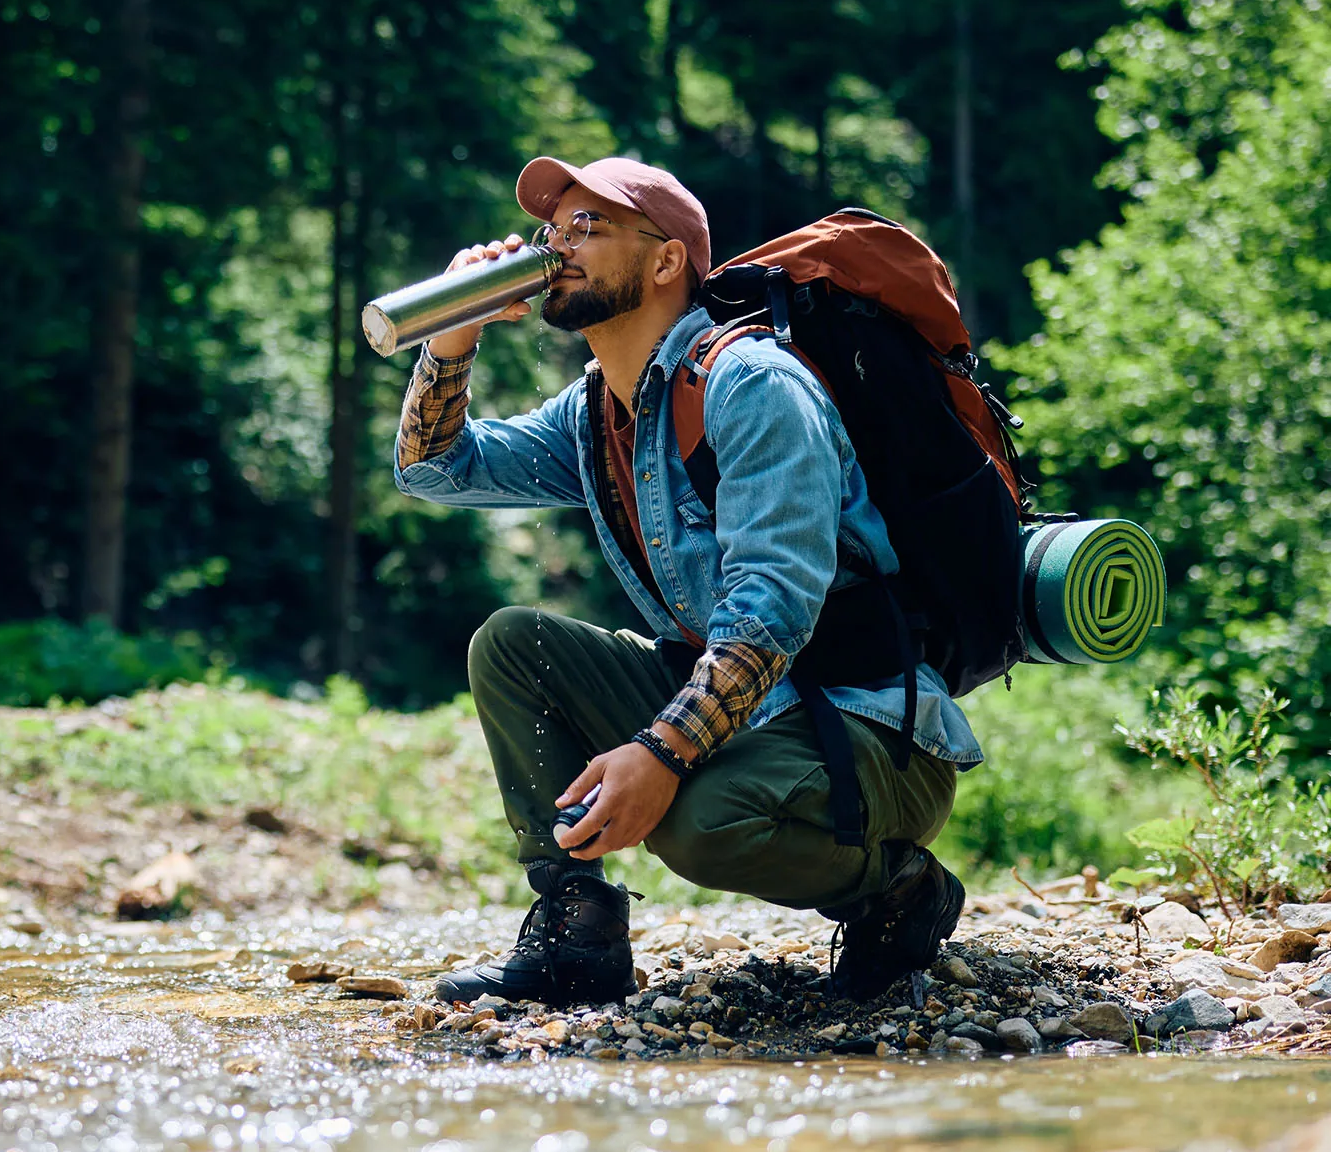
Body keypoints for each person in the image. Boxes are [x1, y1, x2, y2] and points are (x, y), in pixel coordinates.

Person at [394, 156, 980, 1008]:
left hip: (863, 726)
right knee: (515, 647)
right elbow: (434, 469)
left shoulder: (754, 386)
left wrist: (659, 753)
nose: (557, 246)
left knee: (697, 825)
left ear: (666, 261)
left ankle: (900, 894)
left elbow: (770, 614)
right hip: (743, 718)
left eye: (588, 227)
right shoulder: (596, 409)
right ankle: (578, 934)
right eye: (554, 229)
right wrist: (453, 338)